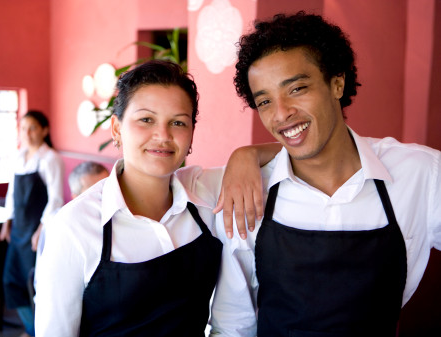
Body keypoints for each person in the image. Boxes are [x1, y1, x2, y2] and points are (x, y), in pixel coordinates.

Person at [210, 11, 441, 337]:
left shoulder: (421, 175)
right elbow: (232, 325)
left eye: (297, 88)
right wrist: (242, 155)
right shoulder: (246, 193)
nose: (281, 114)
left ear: (337, 82)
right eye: (264, 101)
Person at [34, 60, 279, 336]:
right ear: (116, 129)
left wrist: (247, 154)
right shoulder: (74, 226)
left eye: (178, 122)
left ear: (191, 134)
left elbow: (294, 153)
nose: (163, 135)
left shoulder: (206, 192)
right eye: (146, 119)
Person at [0, 109, 64, 337]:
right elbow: (11, 193)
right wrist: (7, 222)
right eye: (23, 128)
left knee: (35, 285)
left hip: (37, 232)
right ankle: (32, 328)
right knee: (11, 280)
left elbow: (56, 199)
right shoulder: (19, 156)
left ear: (45, 130)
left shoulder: (50, 158)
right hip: (18, 230)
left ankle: (40, 331)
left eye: (33, 127)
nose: (27, 133)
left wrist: (42, 230)